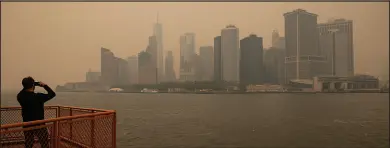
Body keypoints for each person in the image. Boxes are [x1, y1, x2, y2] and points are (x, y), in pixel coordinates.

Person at [17, 76, 56, 148]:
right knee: (44, 143)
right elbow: (52, 94)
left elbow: (23, 90)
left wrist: (31, 84)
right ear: (32, 85)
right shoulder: (38, 97)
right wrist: (44, 85)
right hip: (39, 124)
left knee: (28, 143)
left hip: (27, 123)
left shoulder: (20, 96)